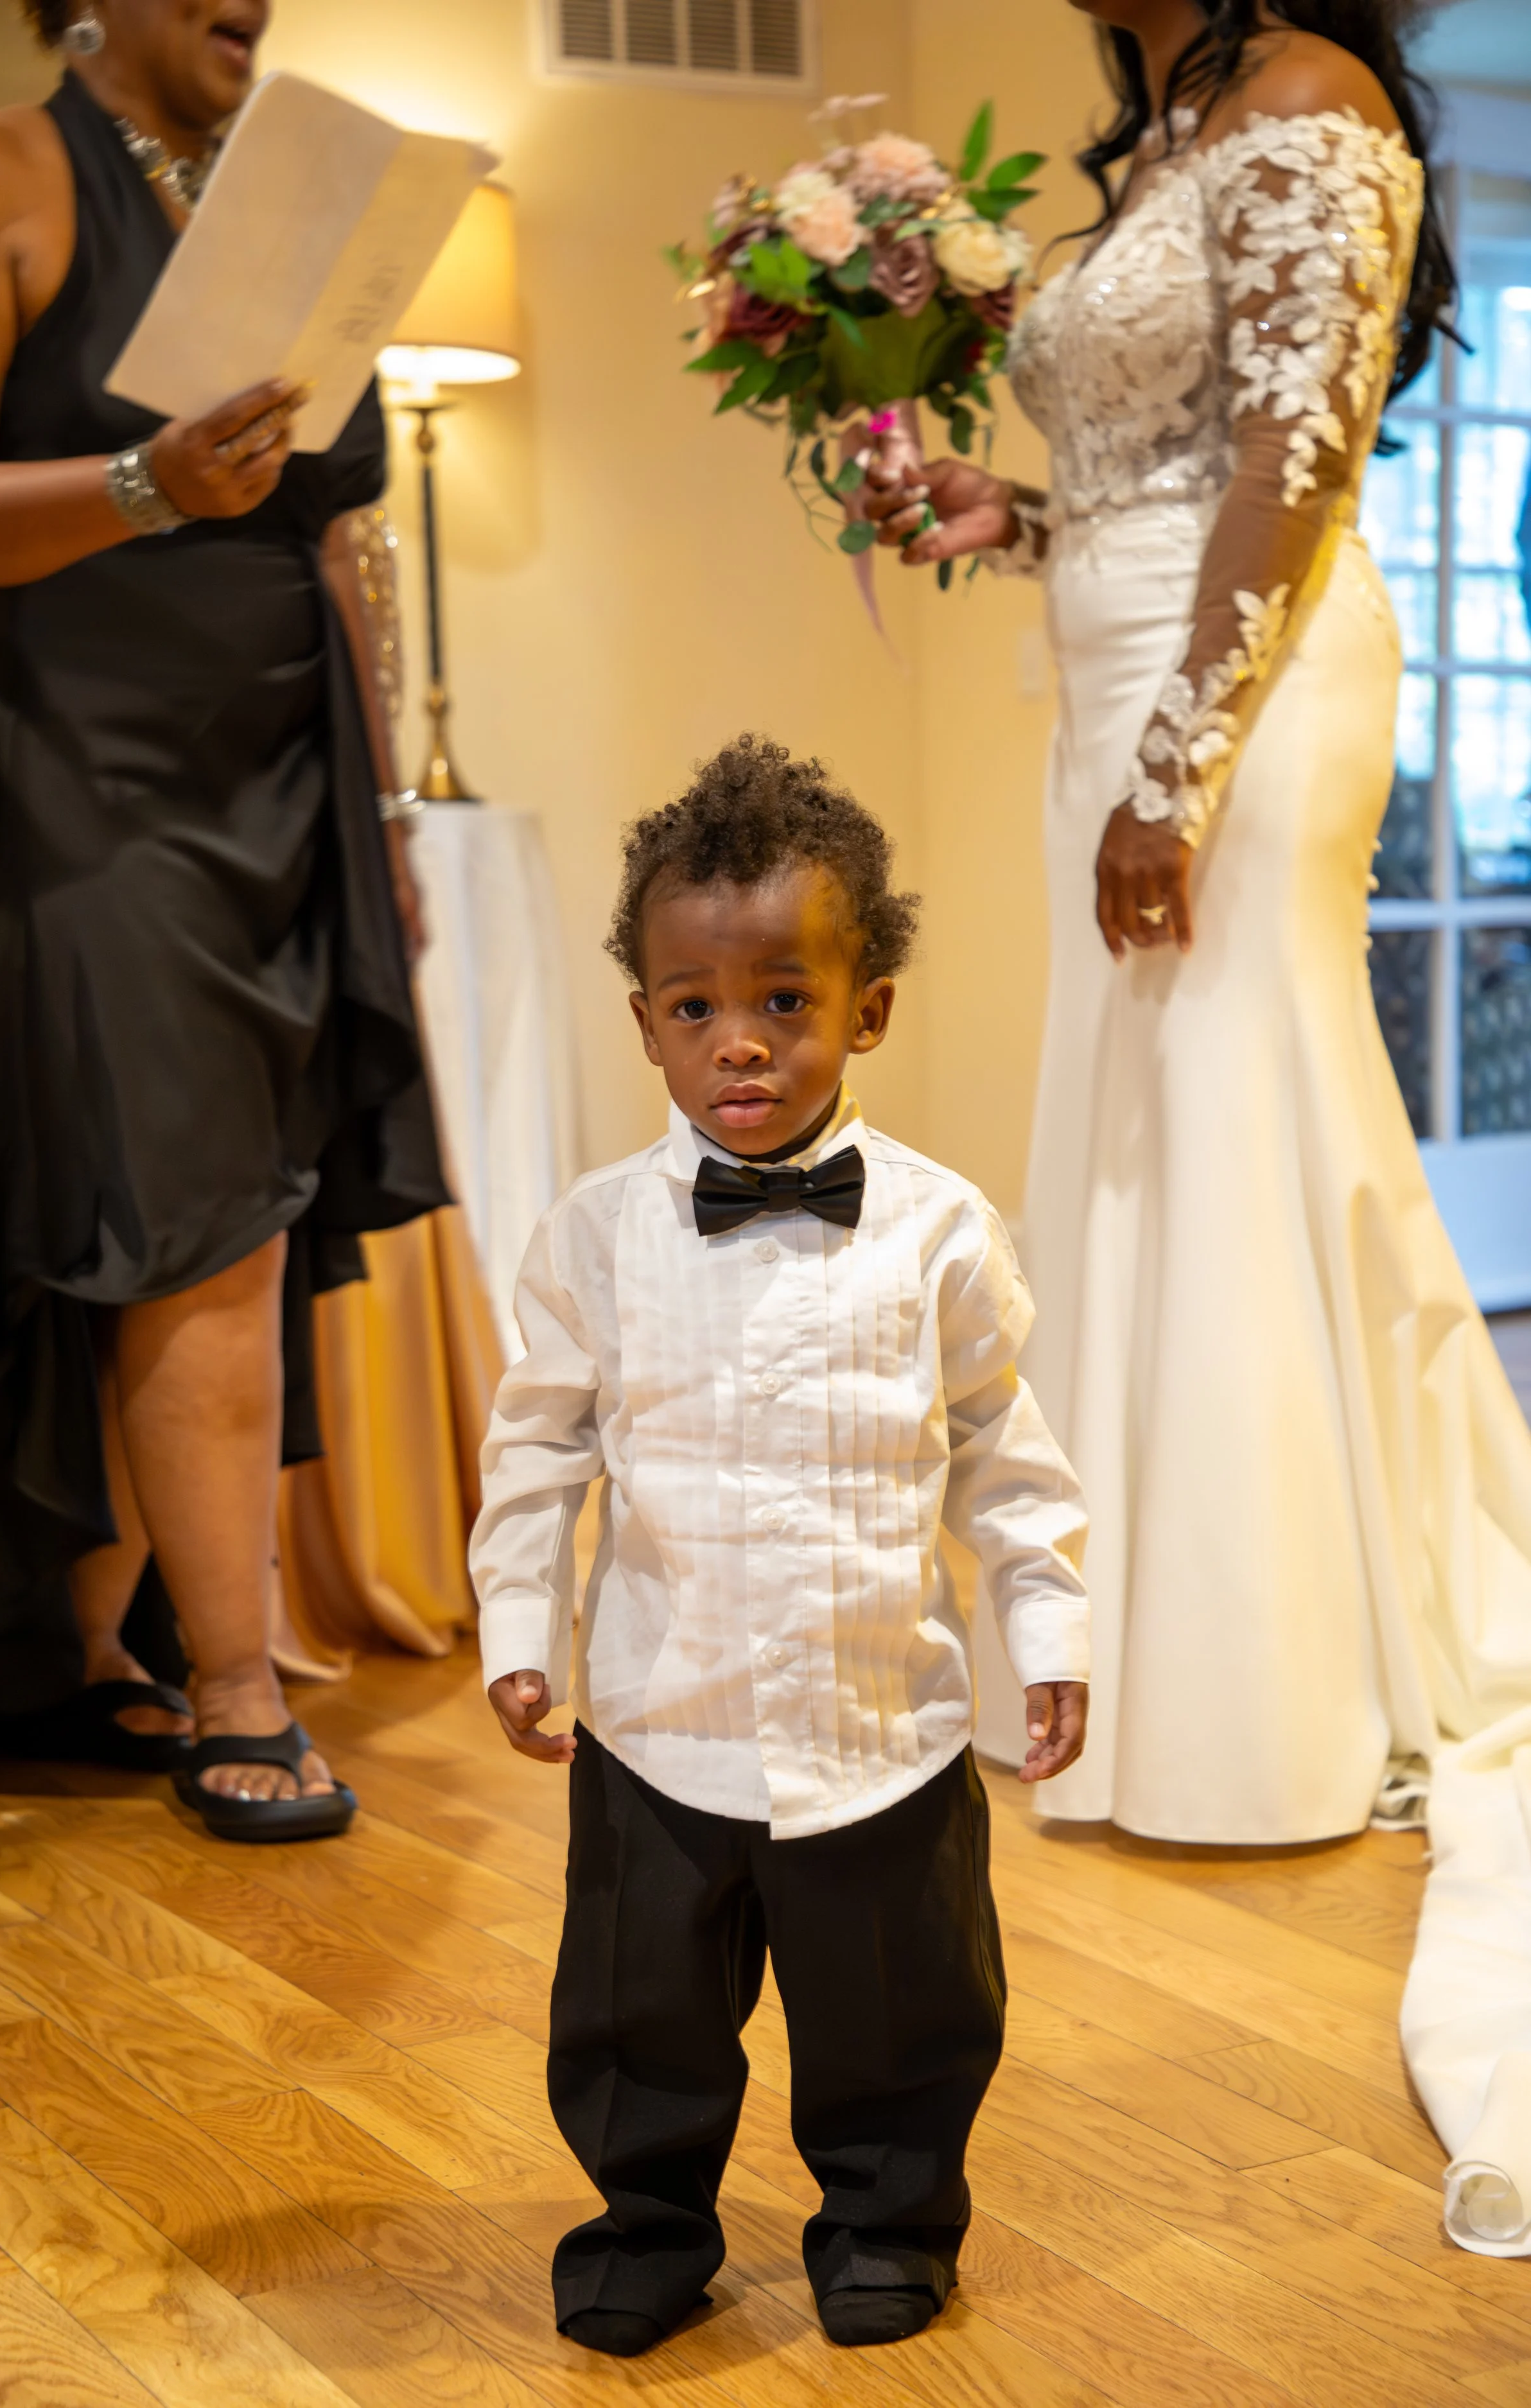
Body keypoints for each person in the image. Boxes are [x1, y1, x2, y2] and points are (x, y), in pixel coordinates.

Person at [864, 0, 1531, 1848]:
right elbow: (1146, 475)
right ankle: (1130, 1658)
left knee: (1233, 1124)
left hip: (1240, 695)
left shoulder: (1307, 94)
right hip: (1127, 679)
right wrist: (1007, 510)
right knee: (1147, 1137)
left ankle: (1270, 1692)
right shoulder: (1167, 126)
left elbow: (1295, 459)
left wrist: (1180, 761)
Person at [469, 737, 1091, 2355]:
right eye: (694, 1006)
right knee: (631, 2013)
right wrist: (519, 1628)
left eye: (785, 1001)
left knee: (901, 2010)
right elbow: (536, 1449)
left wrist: (1050, 1631)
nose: (737, 1041)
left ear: (865, 1006)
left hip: (877, 1727)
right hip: (661, 1723)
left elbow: (998, 1451)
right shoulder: (594, 1237)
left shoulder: (940, 1231)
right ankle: (646, 2219)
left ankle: (887, 2217)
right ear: (646, 1024)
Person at [0, 0, 448, 1837]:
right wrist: (145, 484)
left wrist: (382, 811)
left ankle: (77, 1652)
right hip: (79, 762)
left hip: (281, 756)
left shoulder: (295, 196)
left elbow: (332, 538)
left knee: (209, 1197)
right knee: (185, 1205)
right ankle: (235, 1667)